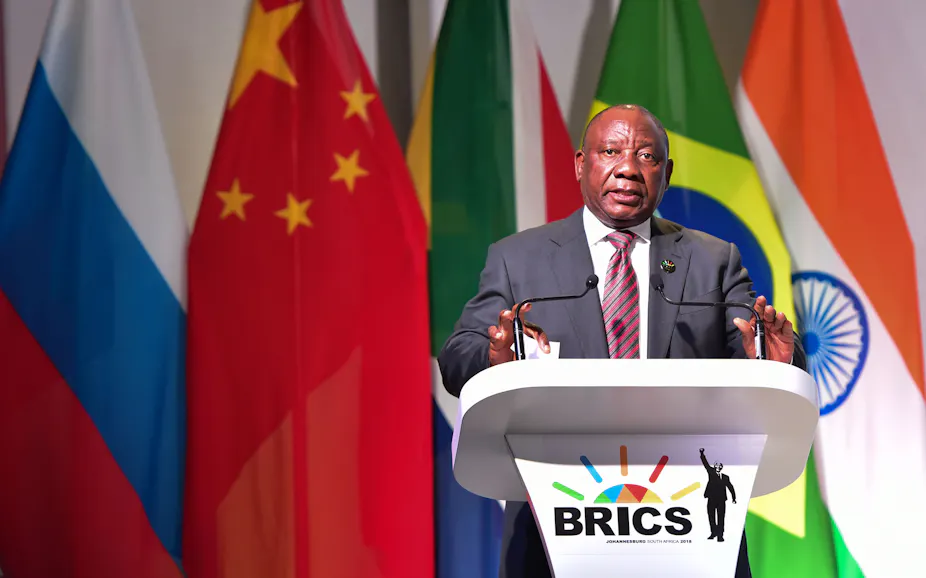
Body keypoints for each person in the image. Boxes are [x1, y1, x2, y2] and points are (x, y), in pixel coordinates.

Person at [437, 104, 806, 578]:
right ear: (580, 164)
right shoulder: (518, 258)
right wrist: (493, 357)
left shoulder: (713, 260)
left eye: (647, 157)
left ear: (666, 173)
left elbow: (759, 351)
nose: (628, 169)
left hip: (685, 527)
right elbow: (456, 359)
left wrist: (778, 358)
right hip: (559, 525)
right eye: (610, 151)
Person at [700, 448, 737, 542]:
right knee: (711, 517)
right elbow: (706, 464)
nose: (718, 467)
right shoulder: (711, 473)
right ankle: (713, 533)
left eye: (720, 465)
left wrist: (733, 498)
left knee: (721, 518)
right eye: (716, 465)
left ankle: (720, 535)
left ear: (721, 467)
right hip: (711, 499)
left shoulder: (725, 477)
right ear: (714, 466)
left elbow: (730, 487)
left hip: (721, 500)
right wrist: (702, 454)